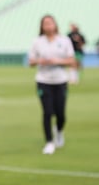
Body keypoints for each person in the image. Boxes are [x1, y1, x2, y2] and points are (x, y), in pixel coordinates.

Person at [28, 14, 75, 155]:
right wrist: (39, 61)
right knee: (47, 112)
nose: (48, 26)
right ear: (42, 26)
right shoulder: (37, 42)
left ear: (55, 25)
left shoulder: (64, 40)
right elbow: (31, 61)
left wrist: (57, 61)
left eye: (50, 23)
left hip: (60, 81)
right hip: (43, 81)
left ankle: (59, 131)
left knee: (61, 113)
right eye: (45, 23)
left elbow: (72, 61)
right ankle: (49, 142)